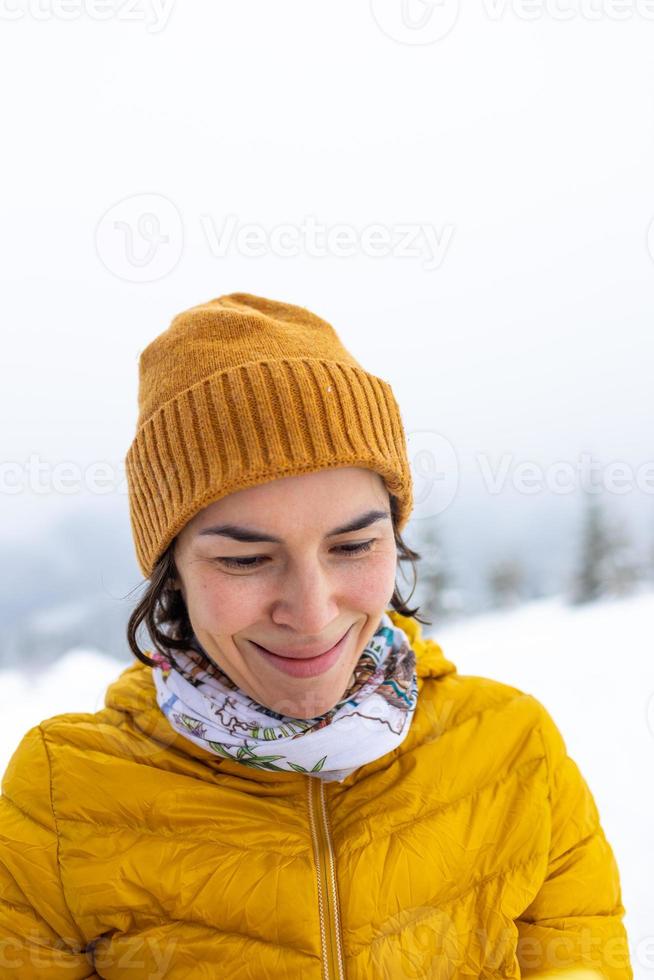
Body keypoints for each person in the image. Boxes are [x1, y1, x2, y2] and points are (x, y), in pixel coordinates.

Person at [0, 293, 632, 979]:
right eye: (244, 559)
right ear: (171, 571)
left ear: (396, 539)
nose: (310, 611)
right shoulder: (62, 797)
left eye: (354, 545)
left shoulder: (514, 752)